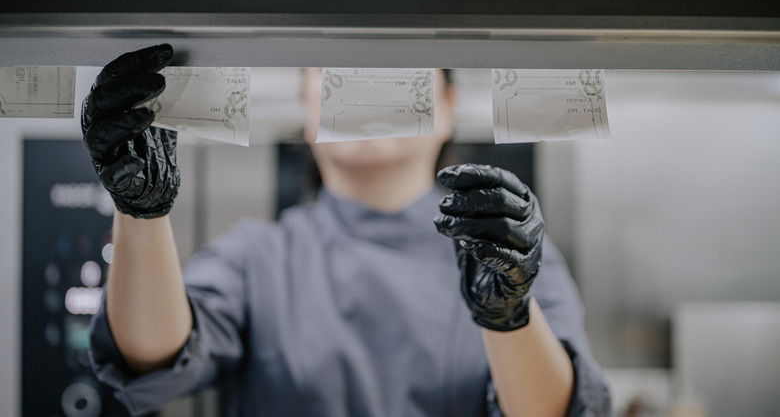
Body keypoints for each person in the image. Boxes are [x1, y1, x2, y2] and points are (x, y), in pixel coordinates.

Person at [83, 44, 611, 417]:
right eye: (339, 67)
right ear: (306, 107)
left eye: (397, 62)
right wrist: (140, 211)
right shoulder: (257, 256)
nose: (367, 77)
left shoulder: (509, 253)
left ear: (447, 107)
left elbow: (556, 412)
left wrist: (509, 316)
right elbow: (151, 359)